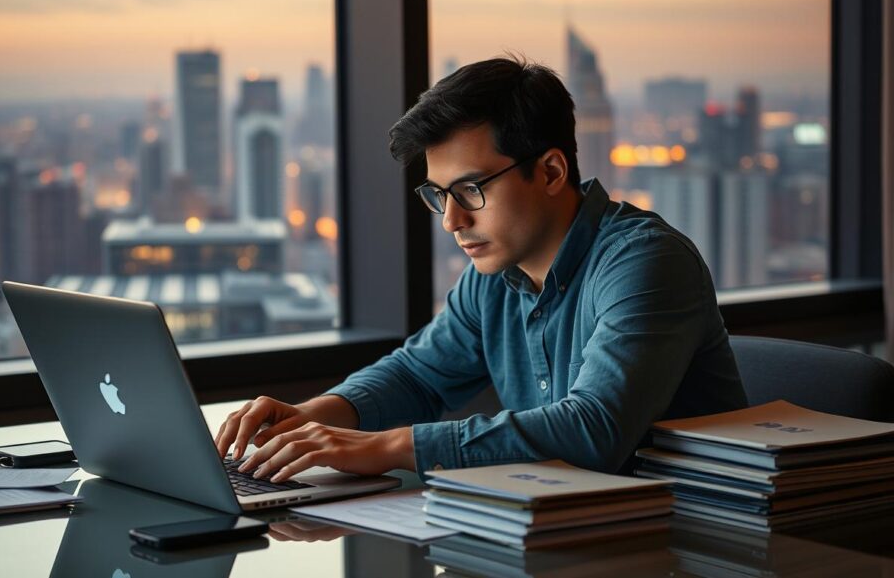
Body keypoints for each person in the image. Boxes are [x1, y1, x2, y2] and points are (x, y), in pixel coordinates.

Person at [215, 56, 748, 484]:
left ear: (551, 171)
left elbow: (595, 429)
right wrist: (311, 417)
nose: (451, 220)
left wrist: (384, 446)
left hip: (692, 545)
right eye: (440, 194)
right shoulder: (493, 278)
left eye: (471, 189)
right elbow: (417, 375)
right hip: (558, 533)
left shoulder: (645, 262)